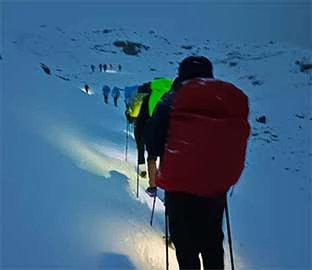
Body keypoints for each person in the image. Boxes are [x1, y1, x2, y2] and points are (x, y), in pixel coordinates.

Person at [145, 56, 250, 269]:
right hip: (215, 187)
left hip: (178, 185)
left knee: (185, 244)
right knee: (212, 241)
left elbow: (153, 144)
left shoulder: (171, 100)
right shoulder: (223, 101)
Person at [125, 78, 172, 195]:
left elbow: (136, 116)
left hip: (149, 130)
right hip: (170, 131)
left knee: (150, 156)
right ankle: (167, 185)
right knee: (166, 157)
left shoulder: (145, 95)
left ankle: (152, 186)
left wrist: (131, 118)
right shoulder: (172, 93)